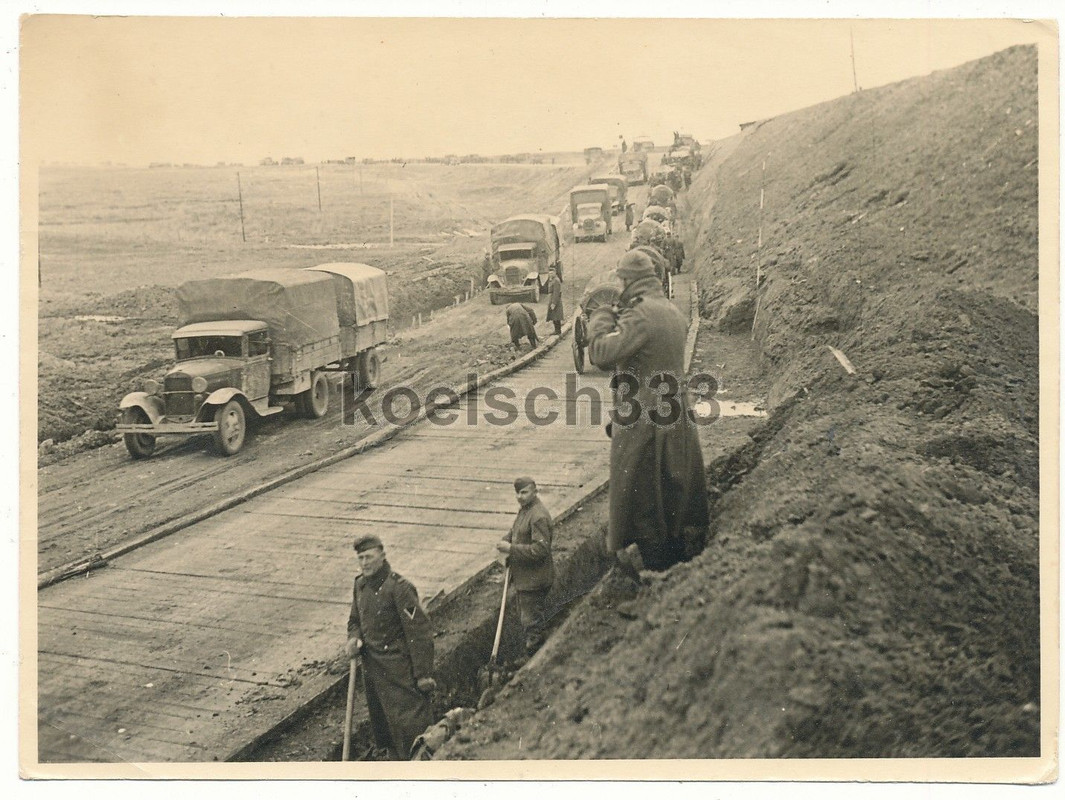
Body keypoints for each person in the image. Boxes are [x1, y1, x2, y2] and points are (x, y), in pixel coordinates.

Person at [586, 250, 710, 571]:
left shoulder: (640, 315)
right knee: (673, 489)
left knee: (641, 497)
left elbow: (600, 353)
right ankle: (678, 562)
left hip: (644, 420)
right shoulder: (671, 310)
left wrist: (600, 317)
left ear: (627, 280)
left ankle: (656, 573)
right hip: (676, 413)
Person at [345, 534, 435, 760]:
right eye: (361, 558)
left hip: (400, 672)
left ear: (382, 556)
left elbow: (420, 633)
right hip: (374, 674)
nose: (364, 563)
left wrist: (423, 674)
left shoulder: (399, 588)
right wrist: (353, 638)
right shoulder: (360, 585)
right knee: (384, 727)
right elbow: (354, 620)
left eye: (369, 557)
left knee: (412, 725)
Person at [496, 476, 555, 657]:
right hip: (525, 579)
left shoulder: (538, 516)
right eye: (517, 493)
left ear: (535, 491)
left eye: (524, 492)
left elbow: (541, 549)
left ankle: (535, 660)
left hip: (534, 580)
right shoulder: (525, 510)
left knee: (531, 623)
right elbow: (516, 531)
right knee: (528, 619)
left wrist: (511, 549)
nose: (520, 497)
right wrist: (506, 540)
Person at [545, 267, 564, 336]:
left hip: (556, 301)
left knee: (556, 316)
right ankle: (557, 330)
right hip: (552, 299)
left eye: (552, 273)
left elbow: (556, 292)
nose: (550, 274)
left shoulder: (556, 280)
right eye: (549, 273)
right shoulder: (552, 280)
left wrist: (553, 303)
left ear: (555, 273)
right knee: (554, 316)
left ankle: (558, 331)